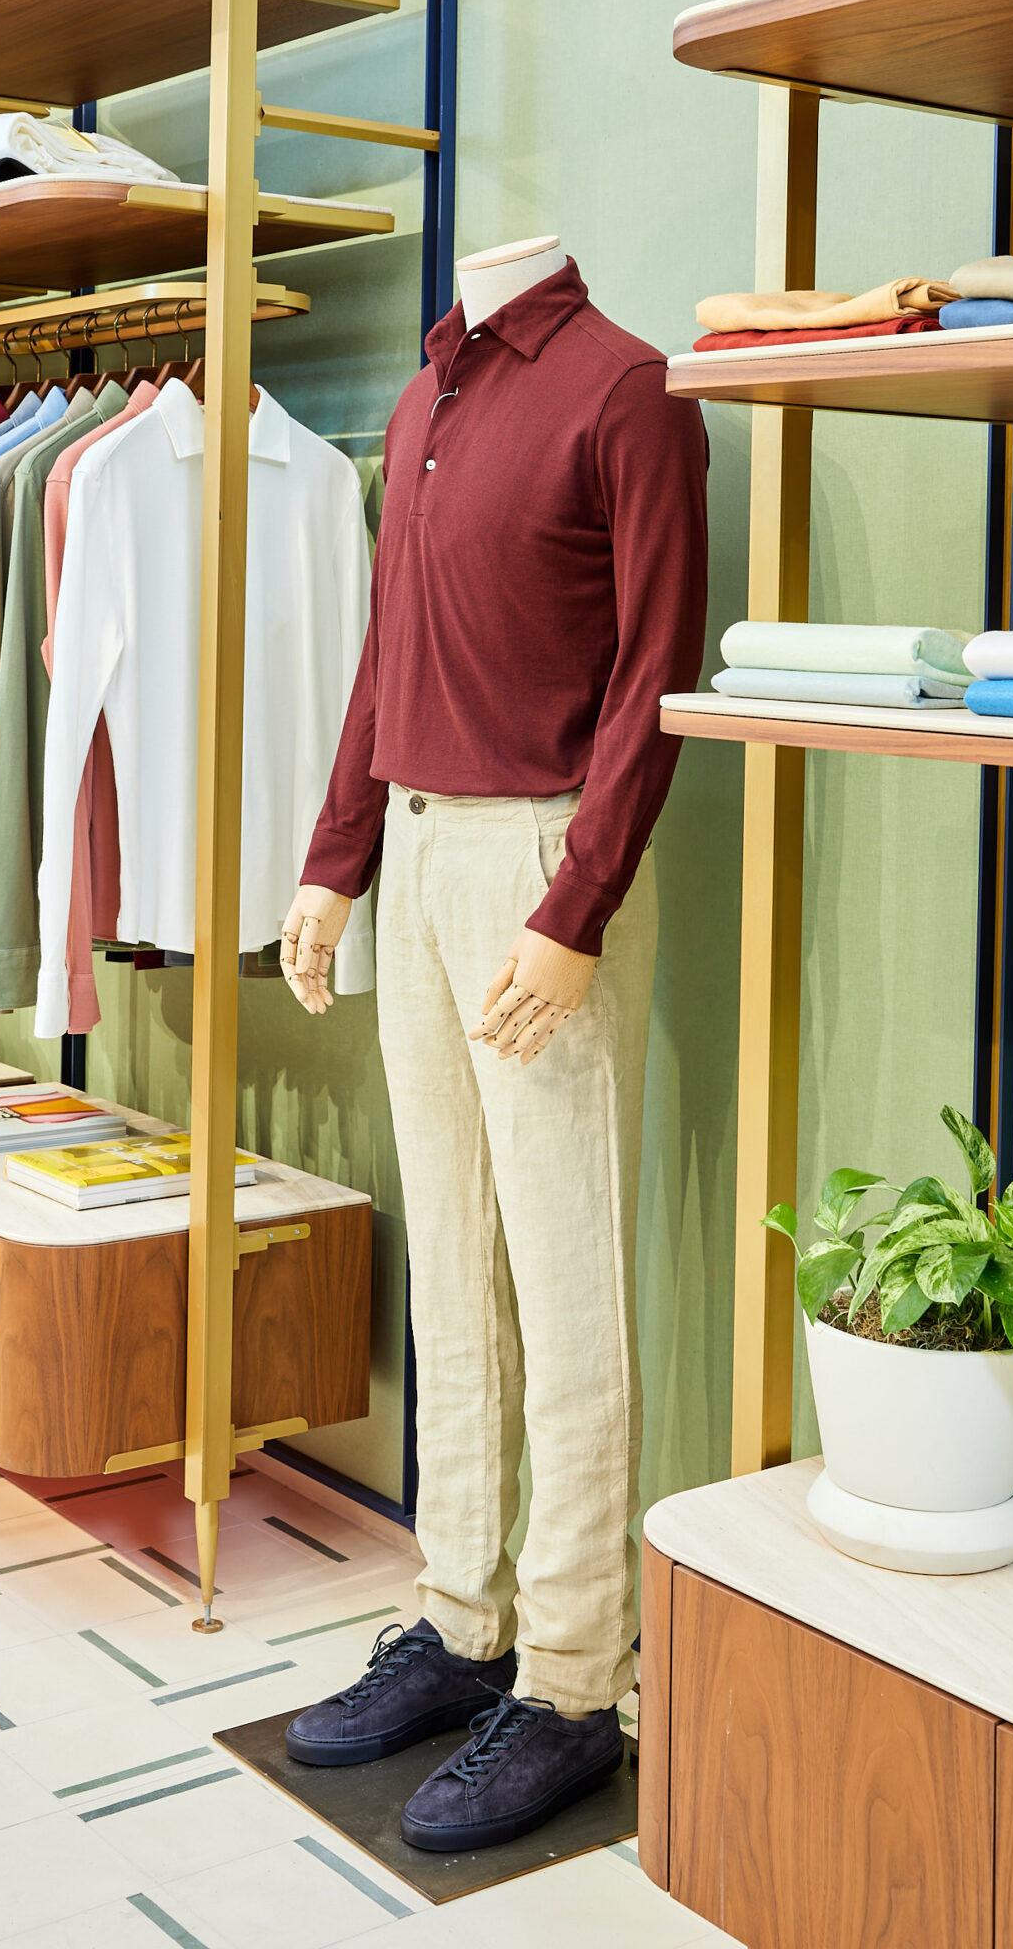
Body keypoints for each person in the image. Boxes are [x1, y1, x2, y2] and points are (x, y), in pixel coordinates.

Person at [276, 239, 708, 1850]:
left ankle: (579, 1679)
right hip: (420, 843)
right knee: (453, 1266)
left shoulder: (627, 390)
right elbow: (387, 655)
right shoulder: (425, 395)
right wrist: (335, 858)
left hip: (542, 858)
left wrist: (577, 905)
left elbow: (654, 676)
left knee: (567, 1277)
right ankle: (464, 1624)